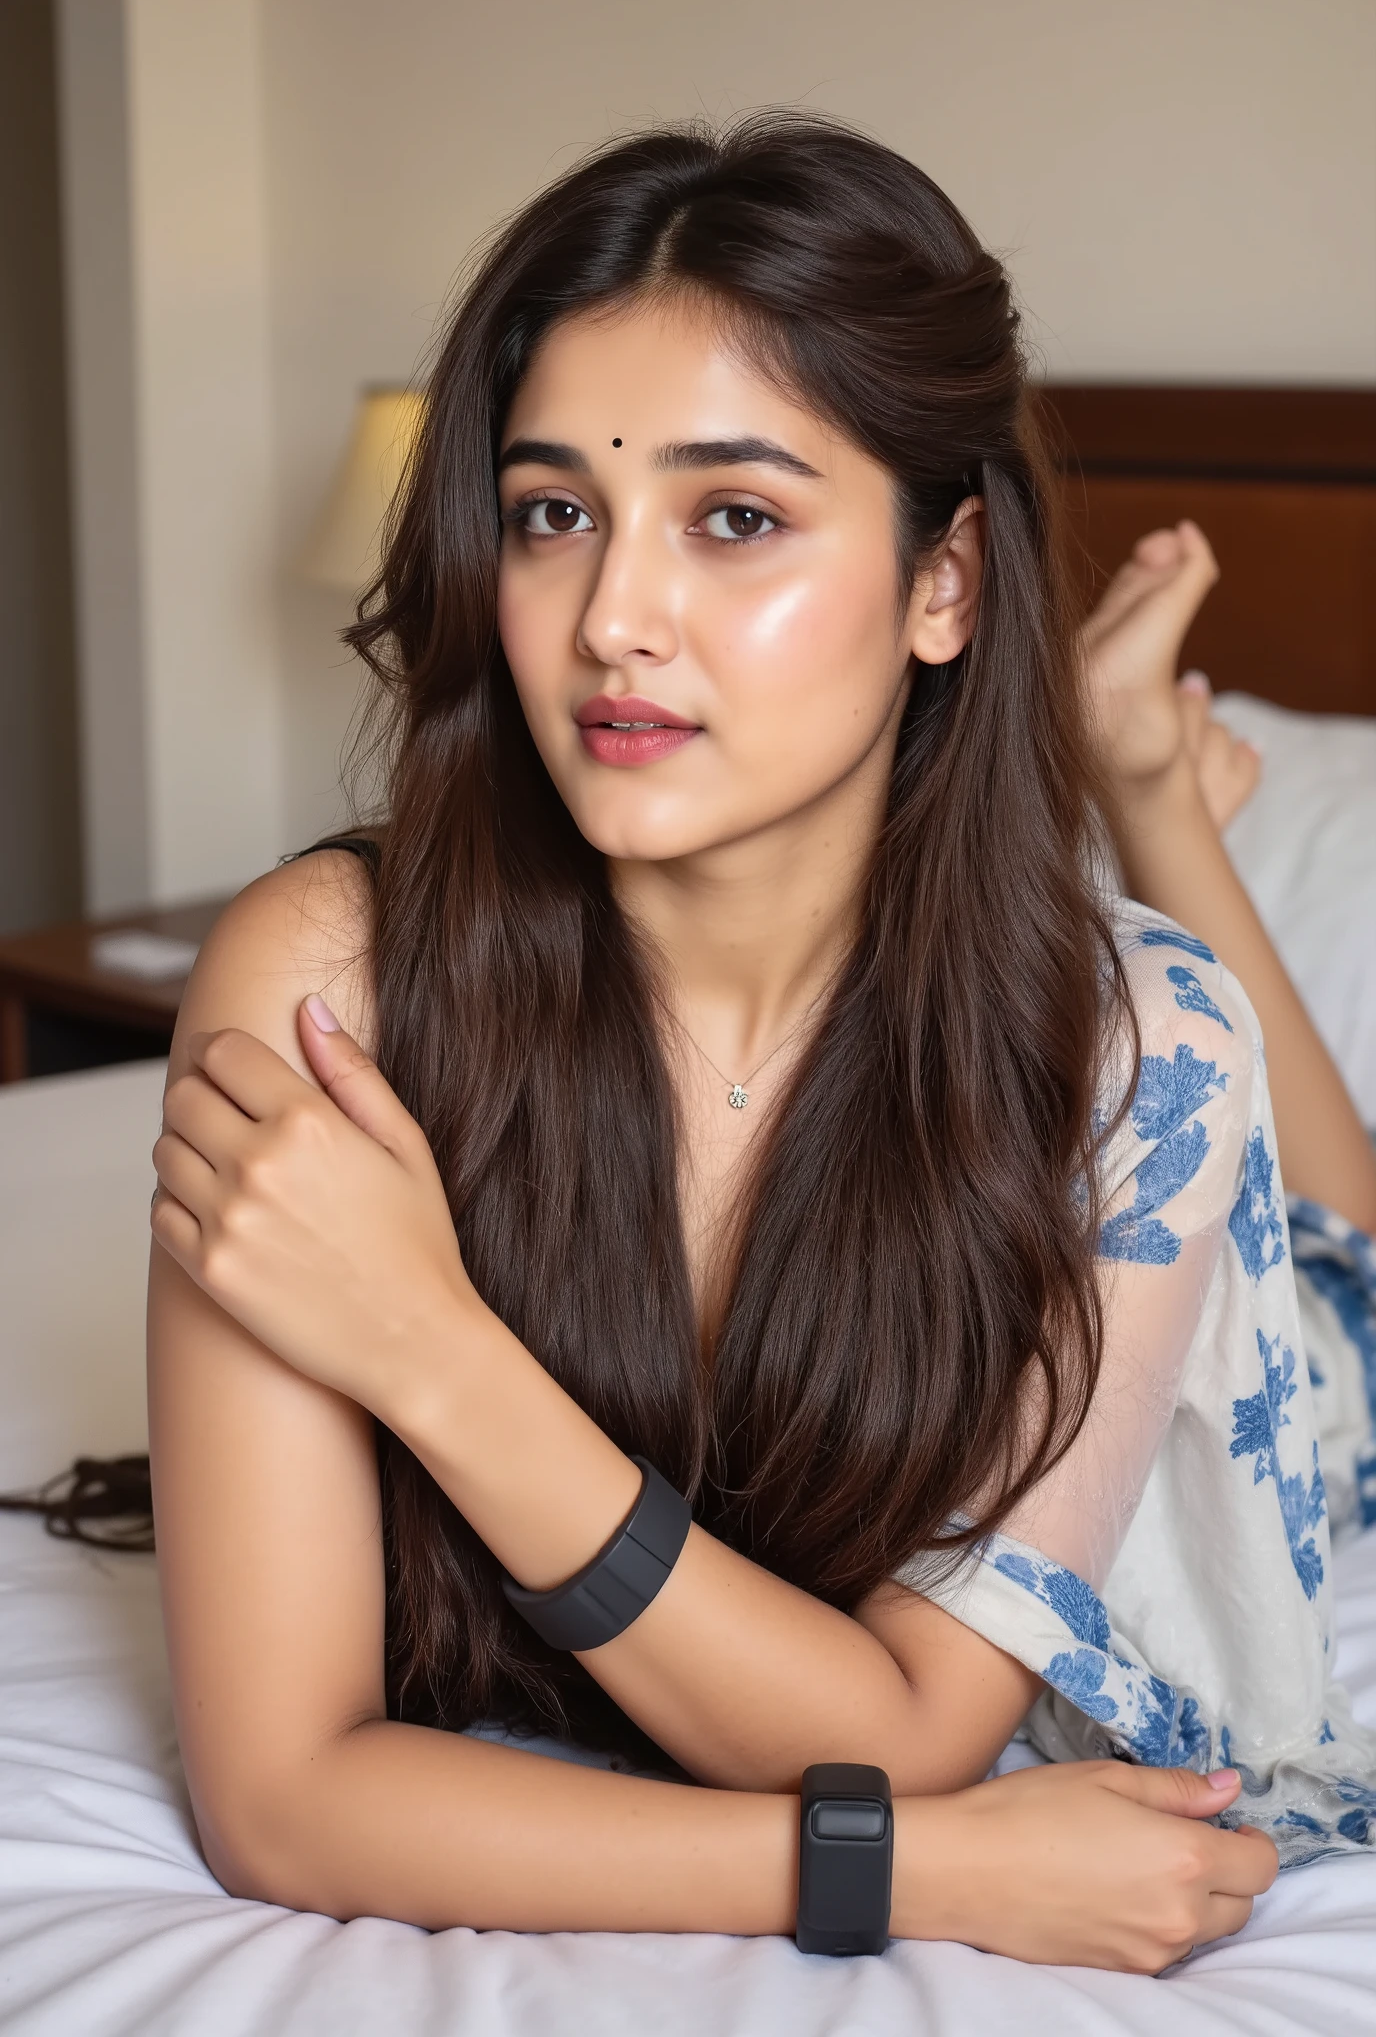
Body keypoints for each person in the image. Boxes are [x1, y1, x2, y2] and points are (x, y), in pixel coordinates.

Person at [146, 116, 1370, 1973]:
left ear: (947, 583)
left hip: (1296, 1374)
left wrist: (428, 1348)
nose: (613, 622)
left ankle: (1148, 788)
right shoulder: (329, 978)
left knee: (1346, 1273)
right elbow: (284, 1795)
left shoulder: (1139, 1053)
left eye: (734, 518)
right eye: (557, 513)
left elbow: (909, 1727)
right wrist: (907, 1874)